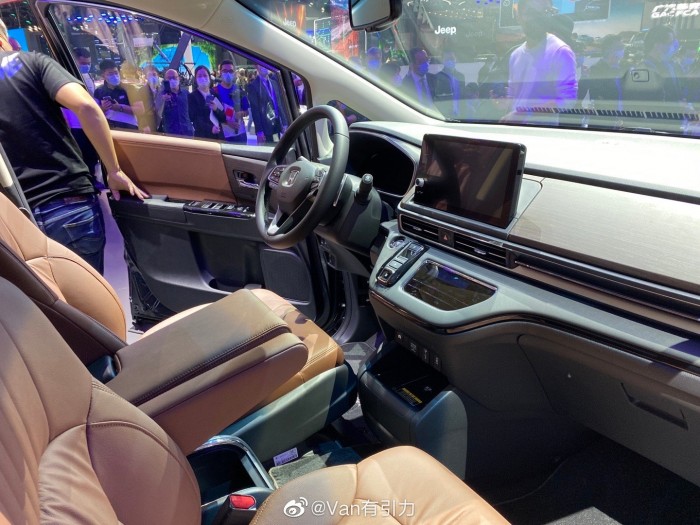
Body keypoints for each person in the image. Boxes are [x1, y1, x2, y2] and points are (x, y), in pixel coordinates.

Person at [0, 18, 147, 274]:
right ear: (6, 39)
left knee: (45, 298)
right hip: (69, 204)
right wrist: (114, 171)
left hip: (15, 219)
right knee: (88, 295)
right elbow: (87, 107)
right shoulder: (33, 62)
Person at [506, 0, 578, 123]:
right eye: (531, 12)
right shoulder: (515, 55)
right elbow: (513, 95)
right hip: (515, 129)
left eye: (545, 11)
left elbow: (567, 100)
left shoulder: (560, 51)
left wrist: (523, 114)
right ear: (518, 17)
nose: (538, 17)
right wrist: (503, 104)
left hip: (542, 132)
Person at [63, 47, 99, 177]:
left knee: (92, 156)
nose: (86, 66)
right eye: (83, 63)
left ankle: (93, 179)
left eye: (88, 63)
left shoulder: (88, 76)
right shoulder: (65, 77)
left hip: (90, 124)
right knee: (80, 157)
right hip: (74, 125)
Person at [578, 34, 625, 111]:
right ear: (609, 50)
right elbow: (583, 95)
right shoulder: (596, 69)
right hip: (605, 115)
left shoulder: (622, 68)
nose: (622, 50)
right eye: (619, 48)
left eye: (623, 47)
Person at [248, 64, 287, 144]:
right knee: (268, 149)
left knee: (278, 146)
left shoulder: (274, 83)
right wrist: (259, 131)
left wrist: (284, 122)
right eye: (261, 64)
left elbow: (279, 104)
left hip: (277, 124)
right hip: (265, 127)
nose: (264, 66)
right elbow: (255, 110)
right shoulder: (253, 86)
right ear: (256, 67)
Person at [94, 59, 139, 130]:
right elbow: (95, 113)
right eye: (110, 74)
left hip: (130, 126)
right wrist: (103, 108)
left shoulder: (129, 88)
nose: (114, 76)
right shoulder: (98, 91)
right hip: (110, 127)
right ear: (103, 76)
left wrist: (120, 107)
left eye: (116, 72)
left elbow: (140, 110)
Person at [213, 60, 248, 143]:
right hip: (223, 136)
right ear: (220, 72)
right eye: (225, 71)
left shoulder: (239, 90)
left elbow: (247, 111)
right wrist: (227, 122)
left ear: (234, 73)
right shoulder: (214, 91)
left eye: (231, 71)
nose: (228, 73)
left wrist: (241, 113)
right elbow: (212, 114)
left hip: (240, 134)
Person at [188, 65, 225, 140]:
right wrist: (210, 129)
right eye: (199, 76)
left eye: (205, 75)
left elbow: (223, 116)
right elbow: (194, 119)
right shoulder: (192, 96)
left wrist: (216, 109)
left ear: (209, 77)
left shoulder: (215, 94)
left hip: (218, 135)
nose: (203, 78)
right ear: (195, 79)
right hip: (203, 137)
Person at [433, 49, 466, 118]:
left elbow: (463, 96)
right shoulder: (437, 77)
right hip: (445, 116)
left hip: (461, 115)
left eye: (452, 58)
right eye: (447, 59)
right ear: (442, 61)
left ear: (456, 59)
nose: (450, 61)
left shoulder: (461, 76)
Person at [161, 69, 194, 137]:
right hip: (170, 134)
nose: (172, 80)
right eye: (169, 78)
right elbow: (157, 112)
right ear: (165, 80)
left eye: (174, 77)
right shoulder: (161, 95)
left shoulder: (185, 93)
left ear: (179, 78)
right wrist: (161, 101)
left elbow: (192, 110)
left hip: (187, 132)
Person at [134, 63, 163, 133]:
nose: (152, 77)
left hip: (161, 123)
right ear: (146, 77)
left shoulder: (162, 90)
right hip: (148, 123)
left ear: (158, 76)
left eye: (154, 74)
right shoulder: (141, 91)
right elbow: (139, 112)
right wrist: (144, 125)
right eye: (150, 75)